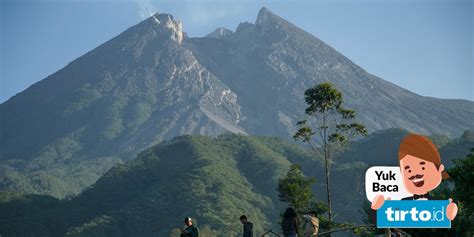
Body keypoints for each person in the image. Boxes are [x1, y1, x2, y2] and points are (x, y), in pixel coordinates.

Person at [370, 134, 458, 220]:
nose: (414, 174)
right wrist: (380, 209)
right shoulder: (404, 203)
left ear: (439, 168)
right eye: (408, 169)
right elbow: (388, 217)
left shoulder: (438, 204)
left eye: (422, 166)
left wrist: (449, 211)